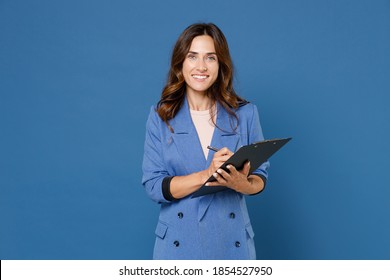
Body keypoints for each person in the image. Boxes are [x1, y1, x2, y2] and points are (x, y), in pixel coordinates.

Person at [142, 23, 269, 260]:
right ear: (181, 63)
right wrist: (206, 175)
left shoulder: (246, 113)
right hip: (177, 245)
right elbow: (153, 186)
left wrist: (243, 184)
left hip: (231, 245)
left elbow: (261, 176)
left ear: (220, 64)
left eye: (210, 58)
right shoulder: (161, 115)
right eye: (193, 57)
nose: (201, 66)